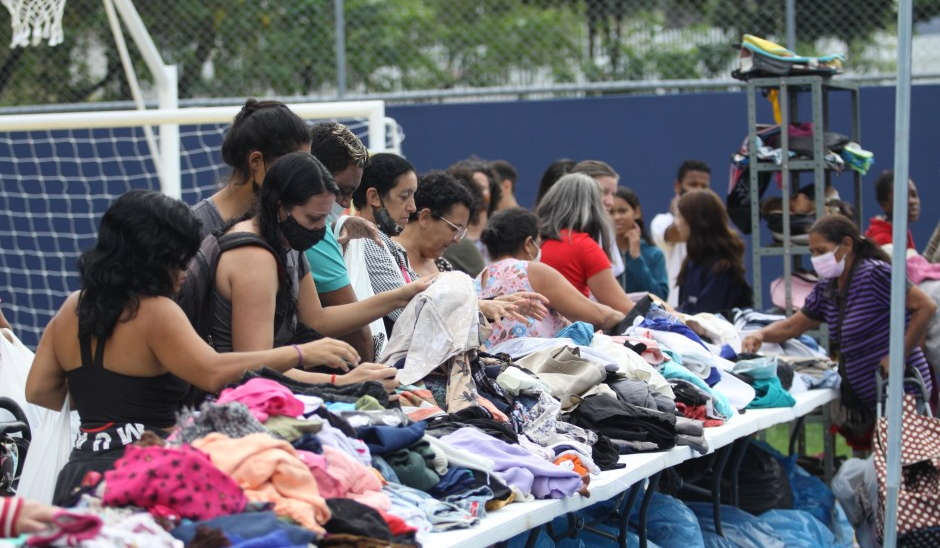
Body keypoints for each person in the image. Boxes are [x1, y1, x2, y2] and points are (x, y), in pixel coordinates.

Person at [25, 190, 361, 505]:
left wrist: (104, 393)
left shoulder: (73, 307)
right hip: (145, 476)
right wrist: (300, 353)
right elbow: (213, 373)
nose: (186, 272)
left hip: (78, 478)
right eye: (179, 259)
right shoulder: (155, 311)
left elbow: (39, 391)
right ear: (153, 256)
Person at [213, 151, 433, 388]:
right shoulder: (254, 258)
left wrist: (400, 296)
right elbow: (253, 370)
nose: (321, 230)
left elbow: (317, 318)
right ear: (280, 207)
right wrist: (344, 382)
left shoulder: (288, 242)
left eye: (325, 220)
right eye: (313, 219)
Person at [742, 215, 936, 437]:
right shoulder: (828, 288)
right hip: (877, 397)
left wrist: (898, 355)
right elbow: (794, 326)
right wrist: (760, 335)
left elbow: (925, 306)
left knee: (905, 461)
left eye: (821, 250)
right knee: (891, 461)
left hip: (903, 388)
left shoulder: (875, 274)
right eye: (812, 252)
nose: (816, 258)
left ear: (847, 244)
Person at [395, 170, 548, 323]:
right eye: (454, 229)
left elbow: (457, 317)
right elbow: (403, 314)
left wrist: (499, 304)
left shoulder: (443, 266)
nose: (457, 240)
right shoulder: (385, 254)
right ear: (425, 217)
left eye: (461, 232)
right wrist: (480, 307)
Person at [477, 208, 624, 345]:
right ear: (529, 244)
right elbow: (597, 316)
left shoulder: (478, 278)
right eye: (539, 241)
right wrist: (623, 317)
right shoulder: (531, 270)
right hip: (536, 365)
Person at [307, 122, 377, 361]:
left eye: (352, 194)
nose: (346, 203)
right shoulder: (314, 235)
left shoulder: (327, 230)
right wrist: (370, 382)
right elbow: (356, 331)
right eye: (340, 190)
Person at [191, 99, 309, 239]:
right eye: (296, 167)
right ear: (256, 161)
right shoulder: (193, 231)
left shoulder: (285, 223)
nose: (304, 178)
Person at [536, 173, 635, 316]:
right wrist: (673, 318)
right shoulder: (584, 247)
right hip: (570, 334)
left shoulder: (532, 244)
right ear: (593, 207)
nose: (610, 203)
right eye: (603, 196)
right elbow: (624, 308)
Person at [349, 152, 419, 332]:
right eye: (404, 196)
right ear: (373, 197)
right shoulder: (367, 242)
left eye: (413, 196)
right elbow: (408, 314)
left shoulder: (393, 246)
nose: (413, 207)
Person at [674, 189, 751, 314]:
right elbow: (686, 310)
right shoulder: (690, 263)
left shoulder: (723, 269)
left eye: (680, 217)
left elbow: (706, 321)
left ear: (695, 221)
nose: (677, 223)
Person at [650, 159, 712, 307]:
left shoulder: (711, 224)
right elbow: (678, 233)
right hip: (672, 307)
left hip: (708, 303)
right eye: (693, 184)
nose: (698, 190)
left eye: (704, 186)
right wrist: (681, 211)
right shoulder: (661, 222)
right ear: (678, 186)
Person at [611, 186, 669, 300]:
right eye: (611, 212)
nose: (616, 217)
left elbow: (660, 298)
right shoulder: (600, 251)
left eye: (622, 211)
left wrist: (636, 258)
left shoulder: (654, 254)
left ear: (637, 212)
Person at [864, 169, 920, 250]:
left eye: (914, 195)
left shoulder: (901, 231)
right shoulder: (882, 240)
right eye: (904, 197)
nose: (912, 201)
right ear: (885, 205)